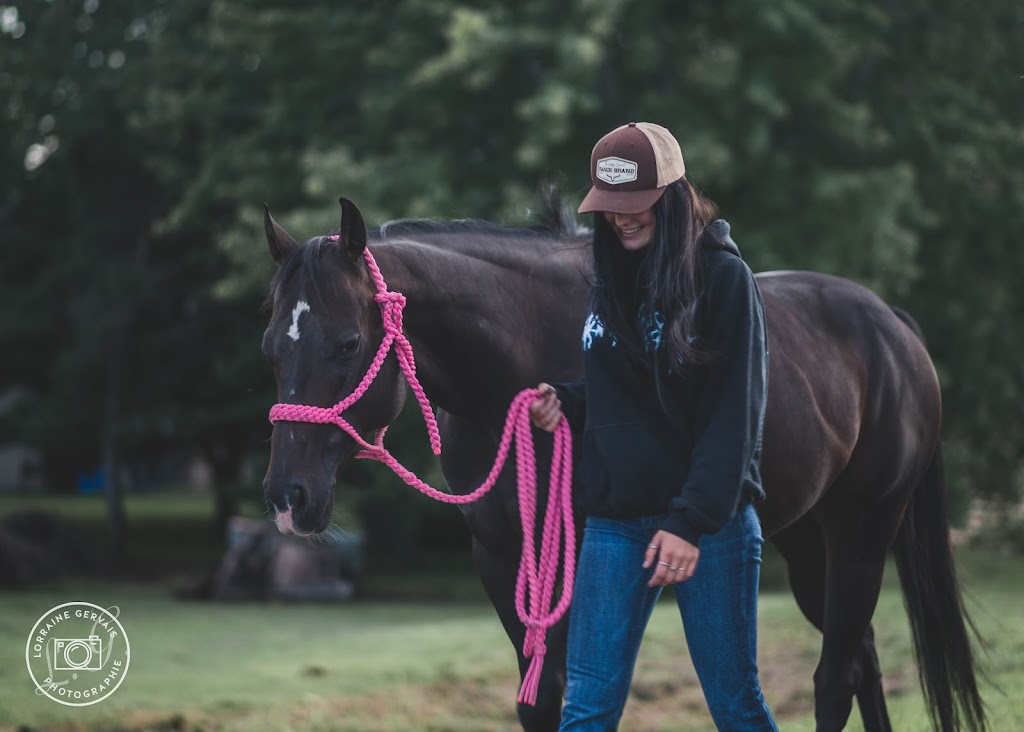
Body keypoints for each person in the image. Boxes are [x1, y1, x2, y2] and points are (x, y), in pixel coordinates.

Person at [530, 122, 778, 731]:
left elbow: (733, 416)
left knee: (735, 706)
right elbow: (634, 389)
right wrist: (571, 401)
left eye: (634, 206)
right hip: (615, 523)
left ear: (671, 194)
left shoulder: (722, 280)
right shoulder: (610, 277)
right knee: (586, 707)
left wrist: (690, 523)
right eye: (609, 208)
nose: (619, 220)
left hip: (709, 528)